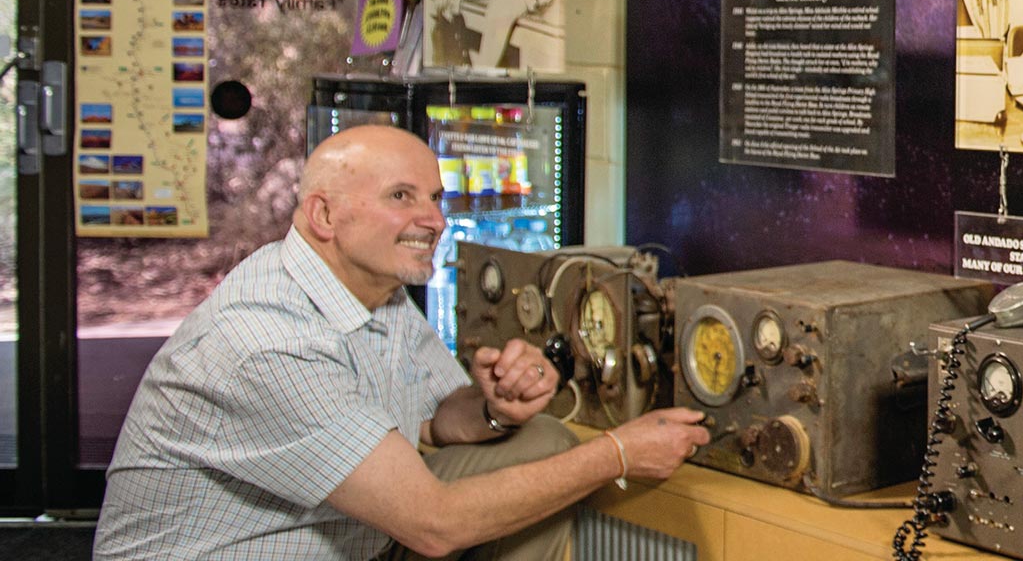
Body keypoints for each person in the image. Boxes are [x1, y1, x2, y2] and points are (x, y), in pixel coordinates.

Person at [96, 126, 709, 560]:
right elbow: (433, 525)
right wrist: (618, 454)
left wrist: (492, 406)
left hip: (355, 539)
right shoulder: (266, 340)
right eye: (401, 197)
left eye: (435, 199)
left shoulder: (376, 291)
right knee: (546, 468)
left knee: (542, 438)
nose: (435, 219)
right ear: (324, 217)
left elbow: (435, 423)